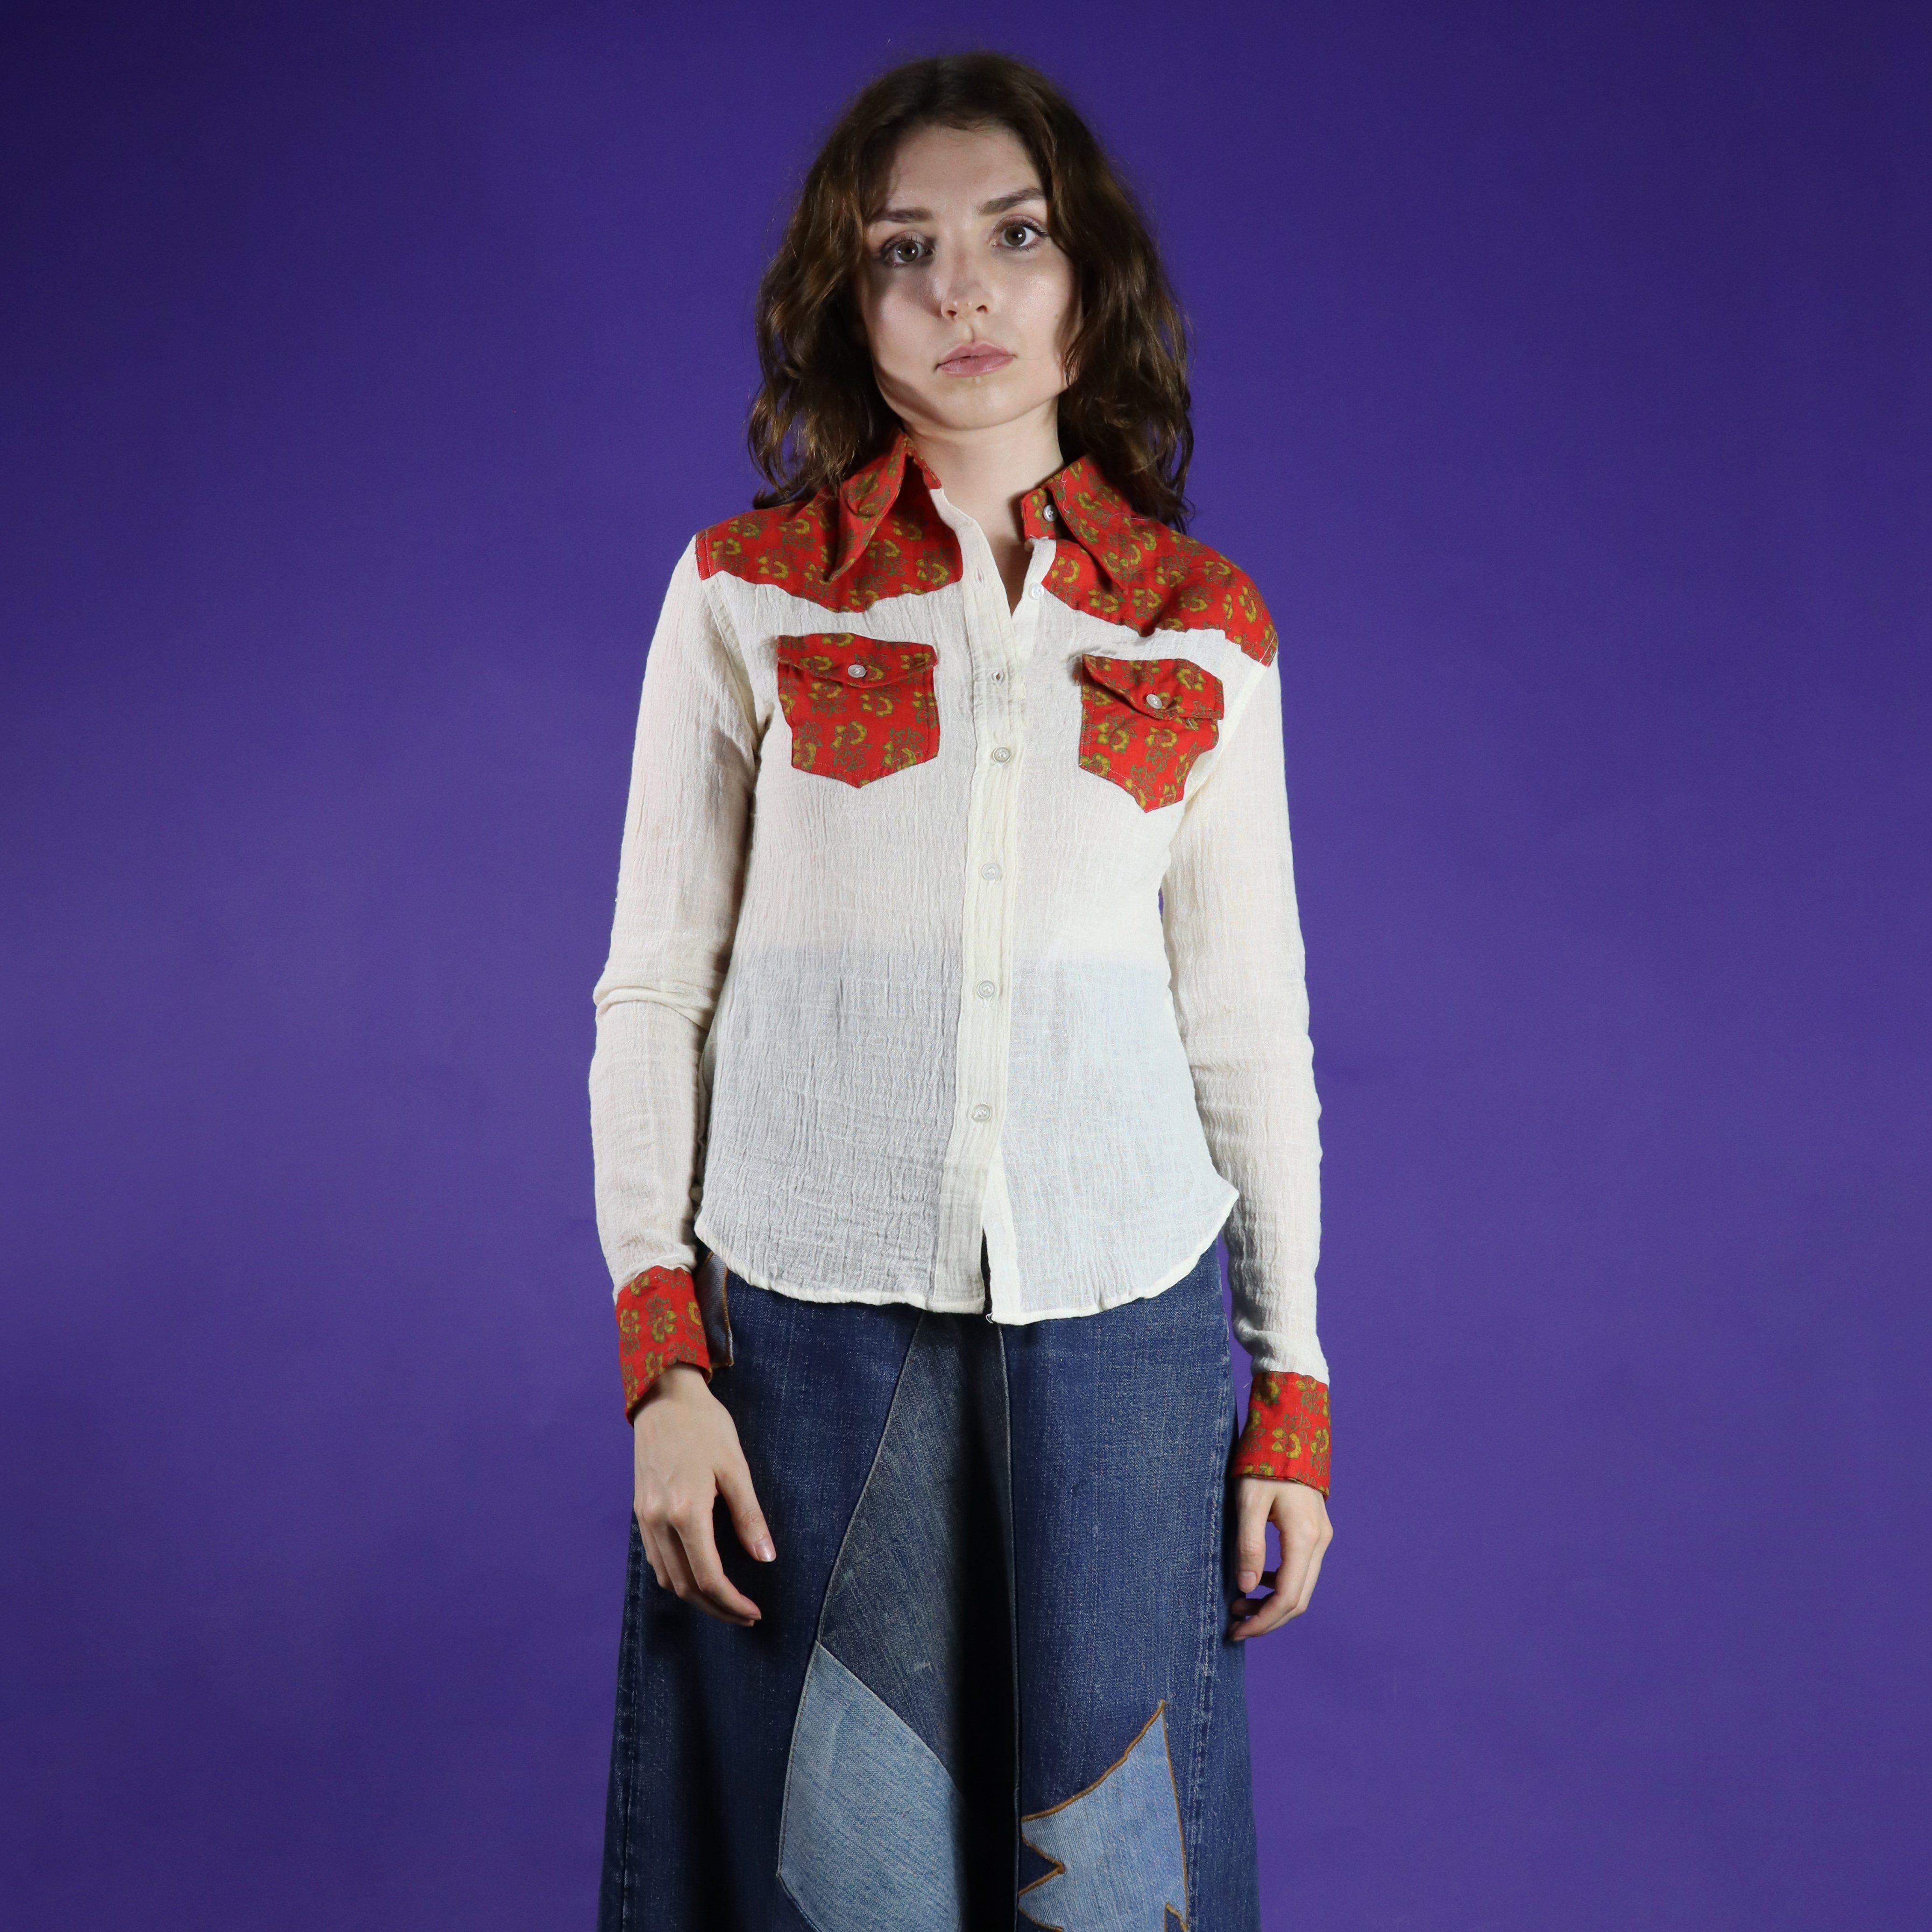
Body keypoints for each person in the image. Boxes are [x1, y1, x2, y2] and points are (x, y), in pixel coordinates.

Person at [588, 50, 1332, 1932]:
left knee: (1113, 1870)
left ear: (1090, 276)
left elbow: (1248, 1030)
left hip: (1126, 1334)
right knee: (834, 1871)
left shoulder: (1202, 626)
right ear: (849, 299)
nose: (963, 291)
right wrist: (665, 1366)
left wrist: (1290, 1389)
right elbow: (654, 993)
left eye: (1014, 236)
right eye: (903, 250)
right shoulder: (746, 594)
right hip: (806, 1328)